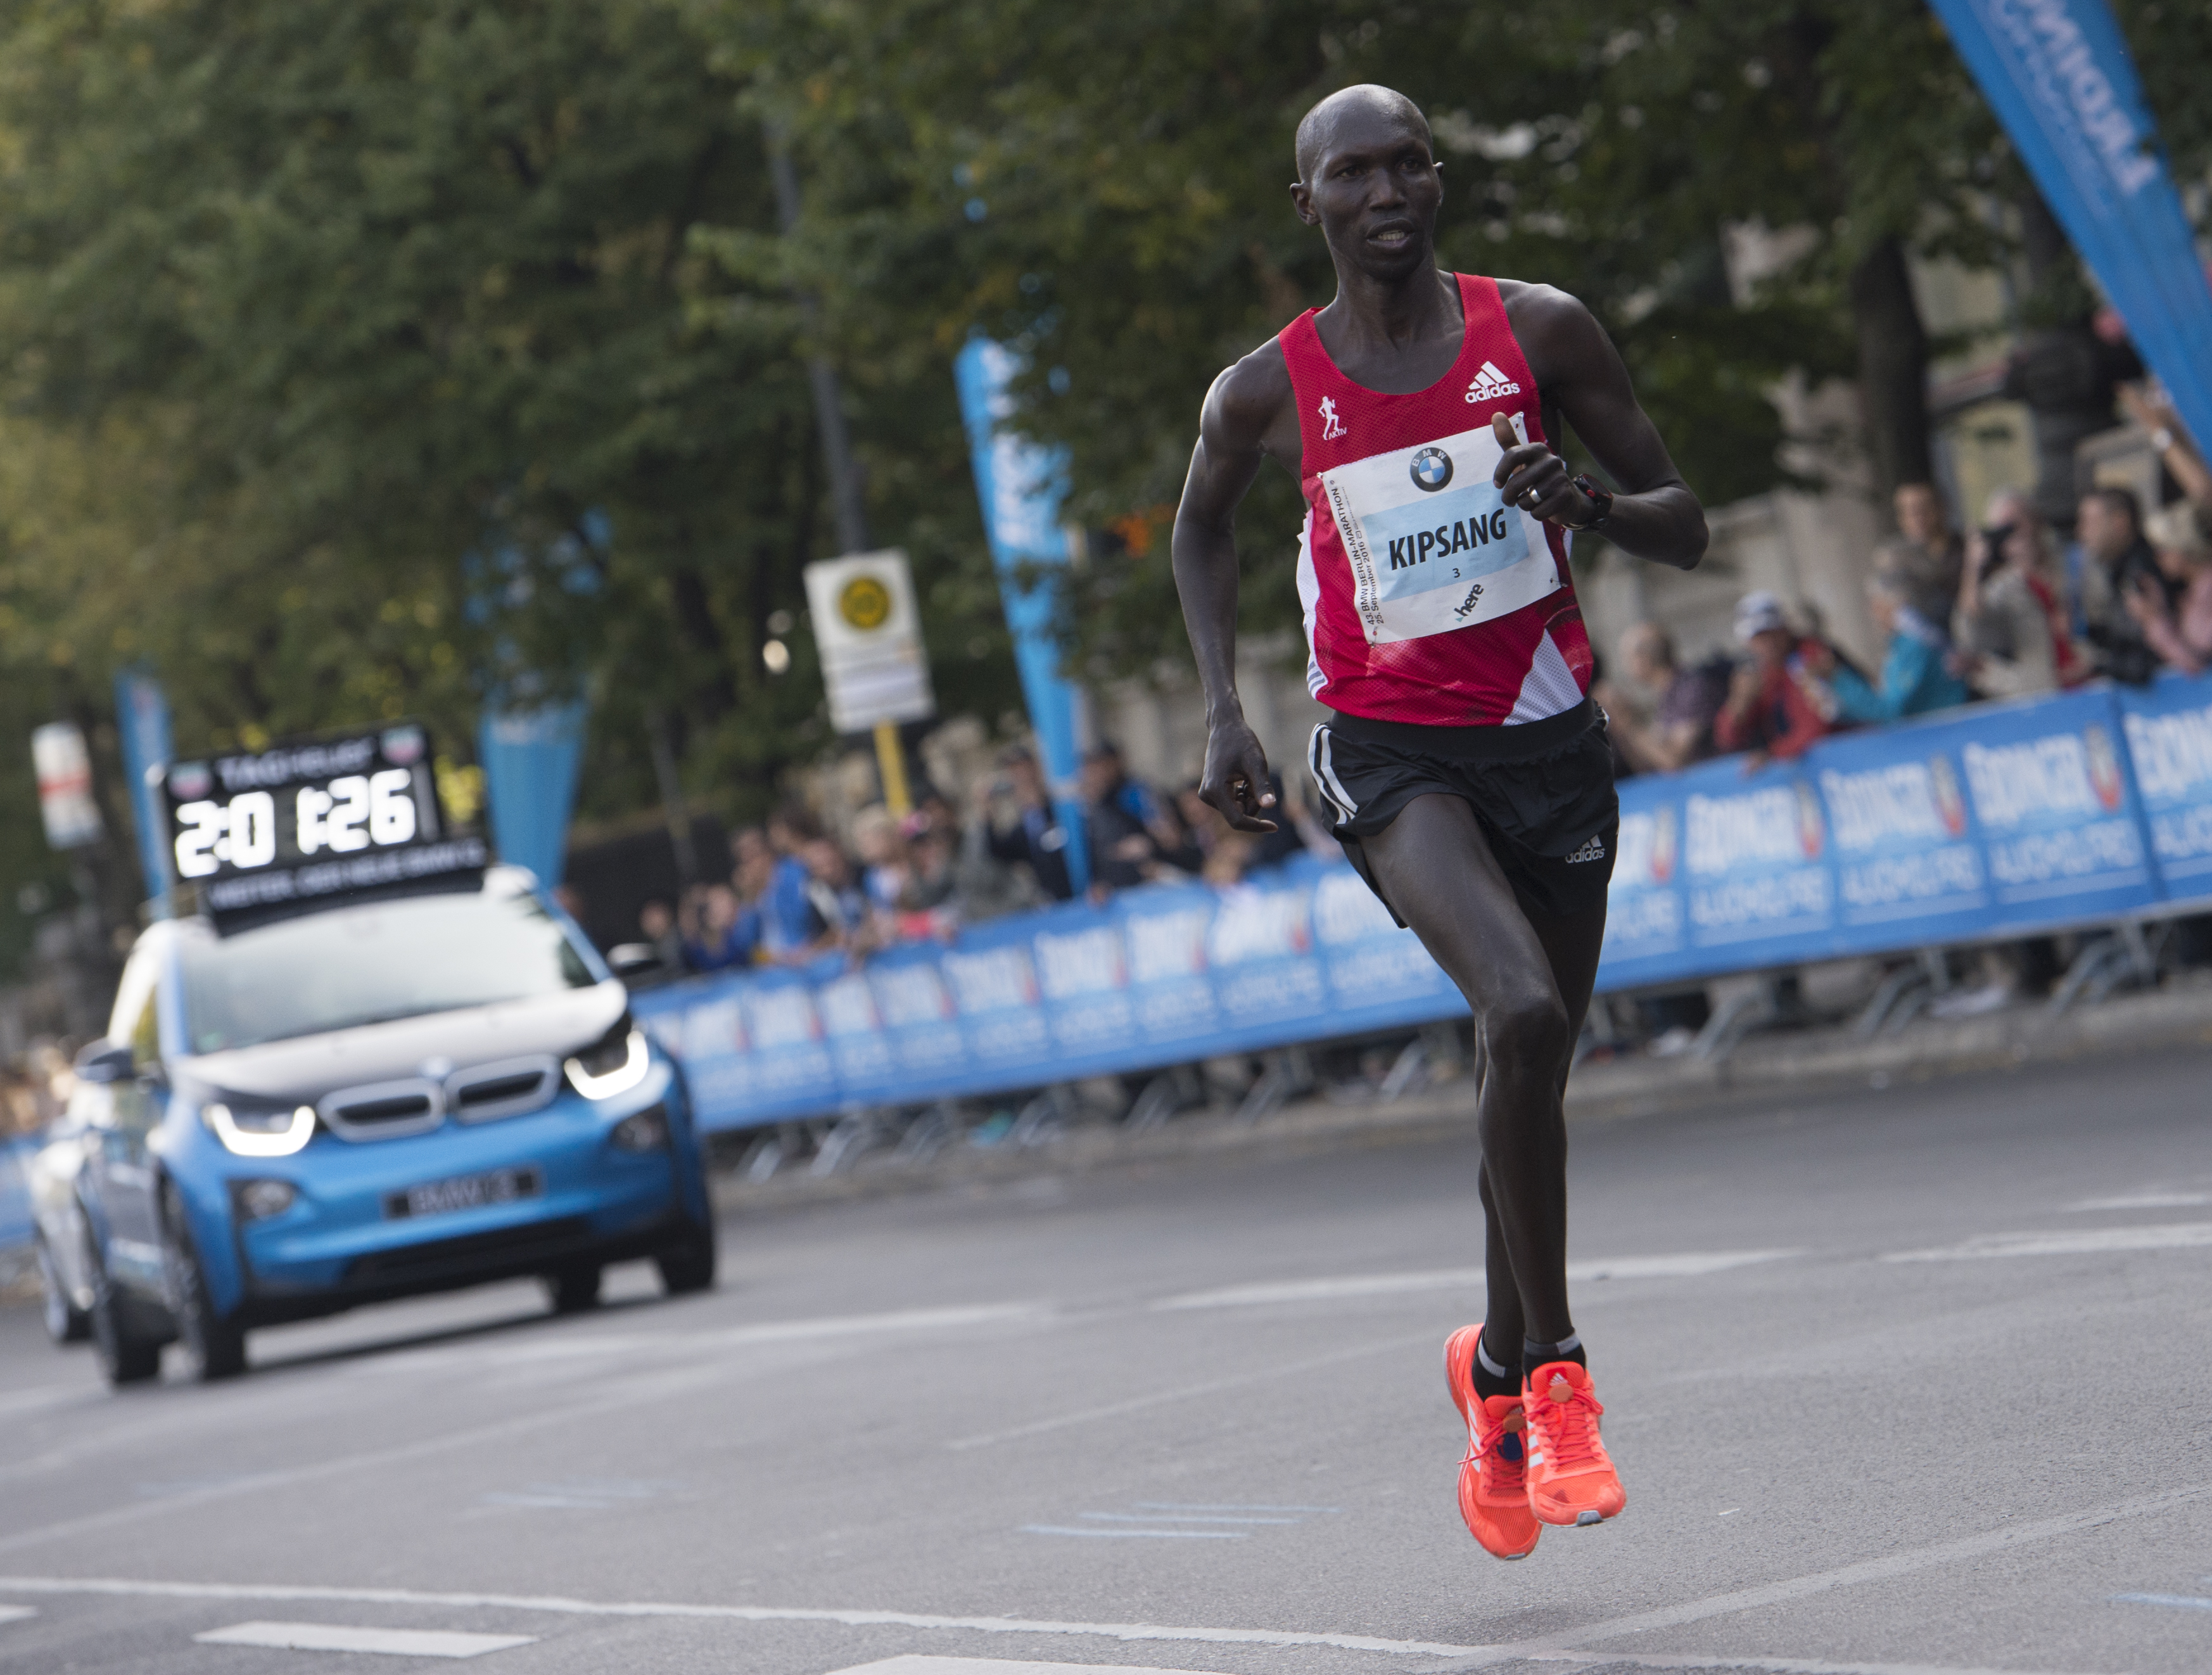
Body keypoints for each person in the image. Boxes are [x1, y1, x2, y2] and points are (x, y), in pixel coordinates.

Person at [1169, 84, 1706, 1558]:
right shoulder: (1264, 390)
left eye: (1408, 160)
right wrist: (1220, 704)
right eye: (1354, 171)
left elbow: (1682, 514)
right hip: (1389, 750)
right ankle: (1555, 1375)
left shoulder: (1538, 332)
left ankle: (1481, 1377)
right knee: (1519, 1011)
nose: (1387, 186)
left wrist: (1586, 502)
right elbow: (1197, 522)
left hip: (1549, 744)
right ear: (1311, 207)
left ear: (1437, 179)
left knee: (1525, 1074)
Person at [1952, 488, 2080, 699]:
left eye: (2017, 524)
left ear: (2036, 521)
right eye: (2004, 529)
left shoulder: (2074, 564)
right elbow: (1970, 632)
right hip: (2046, 695)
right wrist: (1973, 568)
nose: (2015, 535)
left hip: (2093, 685)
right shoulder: (2002, 588)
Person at [1820, 574, 1969, 723]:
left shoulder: (1914, 644)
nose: (1874, 614)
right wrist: (1838, 708)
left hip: (1948, 731)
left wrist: (1839, 680)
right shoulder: (1902, 643)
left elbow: (1891, 711)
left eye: (1877, 605)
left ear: (1896, 604)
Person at [1712, 592, 1838, 761]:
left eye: (1773, 632)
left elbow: (1818, 728)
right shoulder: (1761, 673)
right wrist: (1740, 701)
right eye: (1759, 637)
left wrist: (1773, 754)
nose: (1769, 643)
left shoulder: (1809, 655)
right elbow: (1728, 739)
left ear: (1785, 629)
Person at [1596, 623, 1727, 774]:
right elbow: (1650, 764)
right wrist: (1619, 725)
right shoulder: (1665, 695)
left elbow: (1674, 761)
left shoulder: (1692, 689)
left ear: (1644, 659)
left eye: (1627, 657)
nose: (1624, 666)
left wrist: (1629, 722)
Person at [2079, 486, 2178, 685]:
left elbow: (2146, 659)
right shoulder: (2119, 571)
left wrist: (2098, 665)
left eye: (2091, 522)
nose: (2082, 532)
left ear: (2120, 522)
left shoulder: (2140, 574)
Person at [1081, 742, 1183, 895]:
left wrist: (1148, 843)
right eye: (1092, 769)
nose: (1097, 774)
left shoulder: (1135, 792)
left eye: (1102, 765)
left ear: (1117, 762)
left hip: (1153, 886)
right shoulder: (1094, 806)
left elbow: (1170, 838)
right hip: (1119, 894)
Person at [978, 744, 1077, 901]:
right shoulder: (1023, 828)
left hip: (1084, 894)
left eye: (1023, 768)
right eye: (1013, 771)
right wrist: (987, 812)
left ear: (1036, 768)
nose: (1021, 776)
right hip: (1056, 904)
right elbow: (997, 852)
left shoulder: (1062, 808)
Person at [1873, 481, 1965, 625]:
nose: (1917, 517)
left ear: (1942, 508)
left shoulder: (1968, 551)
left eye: (1923, 508)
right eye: (1908, 511)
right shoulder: (1896, 559)